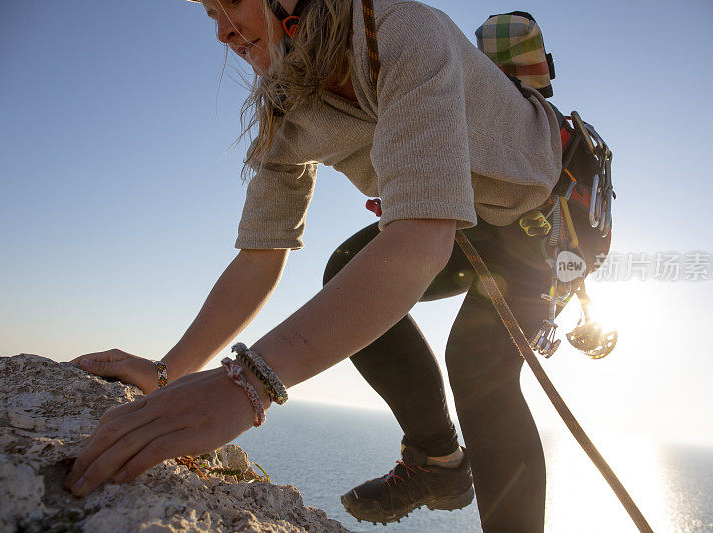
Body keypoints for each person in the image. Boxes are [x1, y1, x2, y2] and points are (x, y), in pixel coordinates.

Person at [66, 0, 609, 531]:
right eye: (210, 13)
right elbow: (261, 251)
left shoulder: (403, 32)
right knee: (350, 266)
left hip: (552, 219)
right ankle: (438, 462)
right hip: (474, 219)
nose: (223, 33)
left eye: (231, 1)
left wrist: (243, 387)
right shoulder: (286, 99)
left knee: (478, 364)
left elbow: (420, 240)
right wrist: (169, 373)